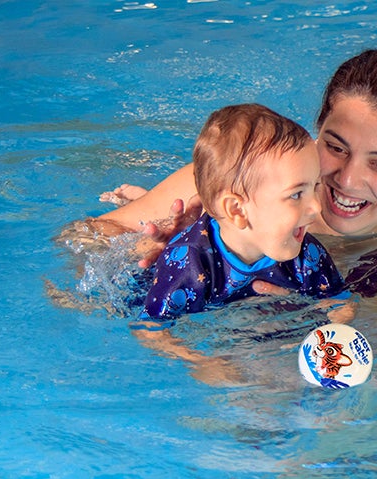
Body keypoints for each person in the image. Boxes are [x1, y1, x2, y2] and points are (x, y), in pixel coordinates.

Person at [96, 49, 377, 297]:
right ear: (317, 130)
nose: (346, 180)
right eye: (335, 147)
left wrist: (304, 319)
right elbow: (84, 237)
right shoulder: (245, 184)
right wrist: (143, 254)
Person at [139, 103, 347, 321]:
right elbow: (152, 331)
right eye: (296, 195)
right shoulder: (190, 264)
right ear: (237, 210)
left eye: (315, 186)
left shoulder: (308, 254)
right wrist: (205, 357)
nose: (316, 207)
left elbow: (340, 304)